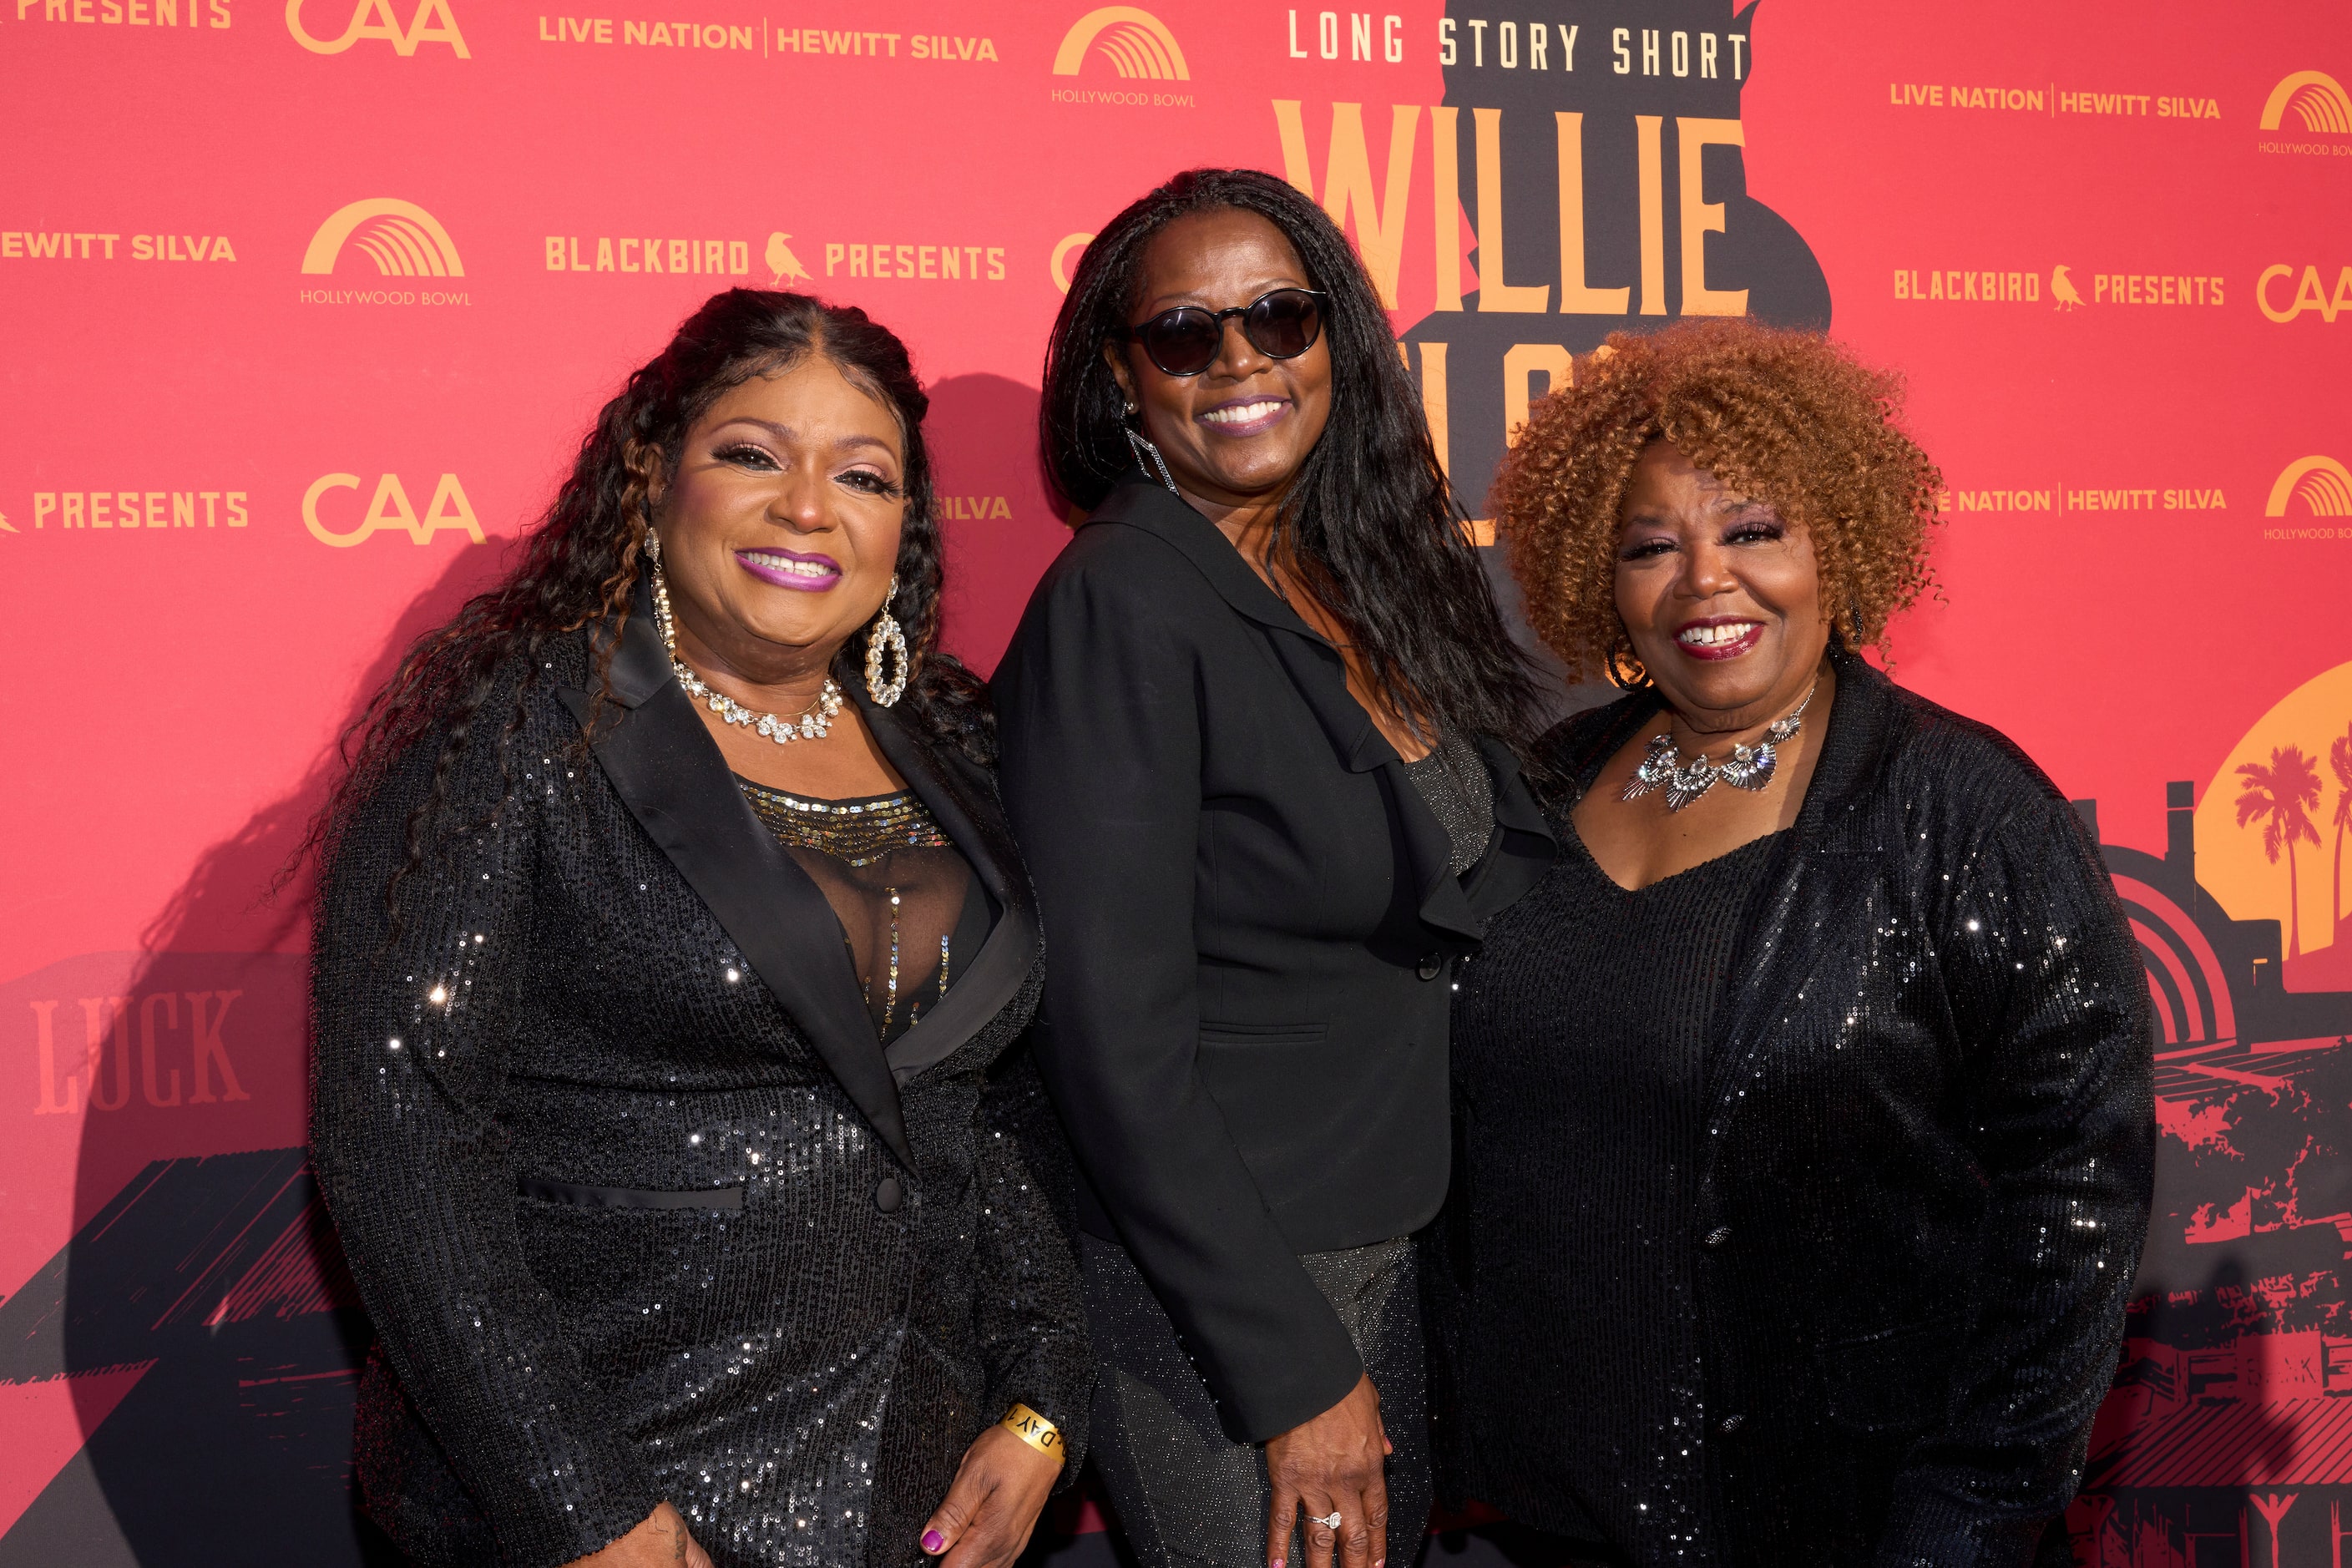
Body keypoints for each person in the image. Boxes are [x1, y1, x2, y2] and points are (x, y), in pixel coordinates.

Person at [308, 290, 1087, 1568]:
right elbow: (402, 1138)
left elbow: (976, 1114)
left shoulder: (952, 743)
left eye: (864, 474)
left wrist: (1043, 1400)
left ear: (905, 527)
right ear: (653, 476)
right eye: (752, 454)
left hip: (914, 1483)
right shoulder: (520, 731)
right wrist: (580, 1502)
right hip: (618, 1481)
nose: (807, 506)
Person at [1429, 316, 2156, 1567]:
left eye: (1752, 530)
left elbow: (2074, 1183)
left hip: (1843, 1519)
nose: (1705, 580)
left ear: (1837, 540)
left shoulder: (1959, 810)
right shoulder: (1540, 784)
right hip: (1540, 1517)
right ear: (1595, 579)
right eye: (1649, 546)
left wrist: (1971, 1510)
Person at [992, 168, 1556, 1568]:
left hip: (1387, 1243)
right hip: (1229, 1295)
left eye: (1278, 318)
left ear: (1335, 342)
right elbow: (1111, 1048)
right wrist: (1292, 1374)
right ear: (1123, 379)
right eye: (1184, 334)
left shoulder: (1353, 573)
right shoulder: (1120, 600)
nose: (1240, 359)